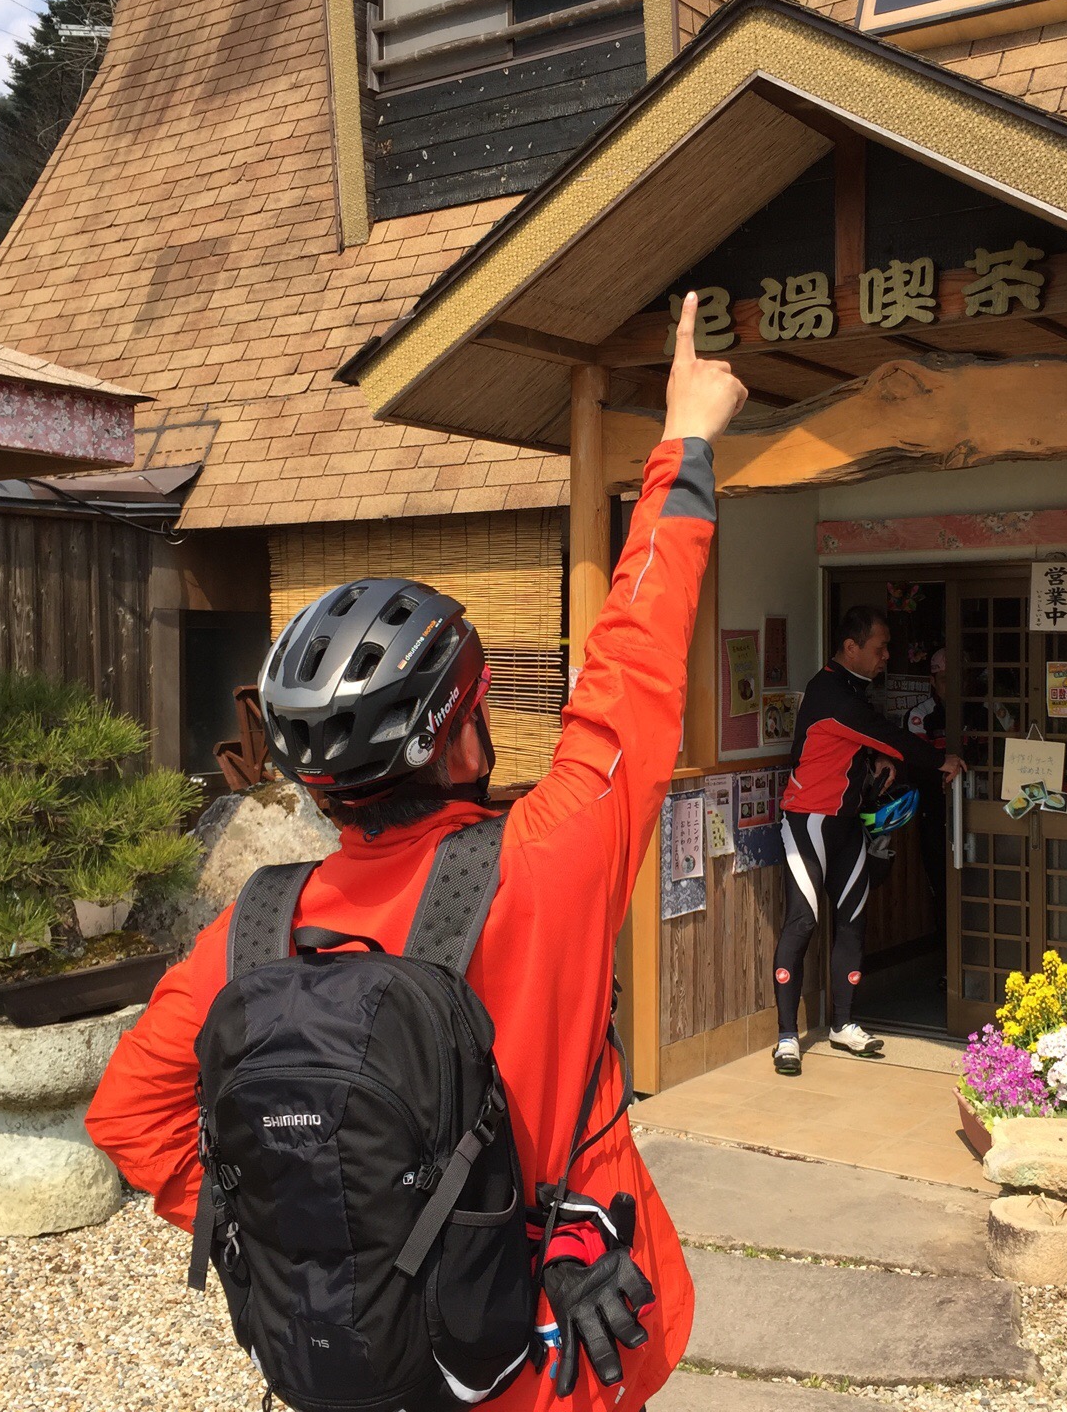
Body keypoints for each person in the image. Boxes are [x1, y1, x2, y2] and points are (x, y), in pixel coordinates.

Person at [82, 292, 746, 1411]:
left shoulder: (252, 931)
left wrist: (312, 1241)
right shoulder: (550, 858)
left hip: (366, 1365)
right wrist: (684, 439)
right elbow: (634, 667)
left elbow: (128, 1118)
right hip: (557, 1356)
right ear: (462, 737)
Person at [770, 607, 962, 1075]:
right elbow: (886, 735)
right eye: (880, 648)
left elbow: (858, 744)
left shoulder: (853, 689)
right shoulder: (830, 691)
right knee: (802, 923)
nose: (886, 656)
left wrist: (875, 763)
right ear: (851, 647)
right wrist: (940, 760)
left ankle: (843, 1024)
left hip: (847, 823)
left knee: (853, 921)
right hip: (807, 822)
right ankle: (787, 1037)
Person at [902, 648, 949, 928]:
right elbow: (919, 763)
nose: (953, 685)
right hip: (936, 809)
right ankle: (947, 948)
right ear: (932, 680)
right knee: (941, 879)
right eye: (944, 679)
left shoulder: (984, 707)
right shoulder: (920, 715)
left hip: (979, 806)